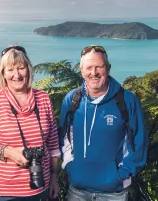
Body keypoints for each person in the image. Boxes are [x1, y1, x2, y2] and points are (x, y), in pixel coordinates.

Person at [0, 45, 60, 201]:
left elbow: (53, 144)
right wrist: (7, 151)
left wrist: (54, 177)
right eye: (10, 70)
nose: (16, 75)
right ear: (3, 73)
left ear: (28, 70)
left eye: (21, 68)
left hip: (39, 187)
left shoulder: (43, 98)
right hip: (2, 191)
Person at [58, 45, 148, 201]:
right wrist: (69, 165)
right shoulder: (72, 100)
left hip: (115, 192)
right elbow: (64, 136)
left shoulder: (126, 100)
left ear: (108, 68)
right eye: (89, 68)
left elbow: (138, 142)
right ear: (81, 70)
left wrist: (122, 174)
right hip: (77, 190)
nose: (94, 73)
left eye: (99, 67)